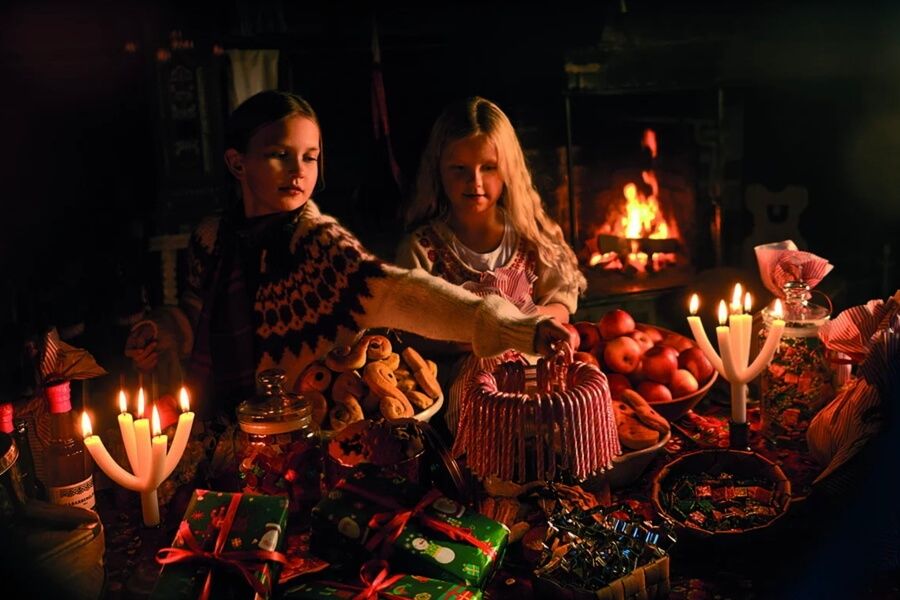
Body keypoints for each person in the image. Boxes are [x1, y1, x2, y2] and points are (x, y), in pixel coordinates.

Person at [124, 90, 570, 417]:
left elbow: (403, 294)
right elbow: (197, 313)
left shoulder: (320, 244)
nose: (299, 170)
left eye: (310, 157)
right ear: (238, 163)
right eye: (281, 154)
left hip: (300, 426)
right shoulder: (212, 237)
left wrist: (513, 328)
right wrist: (164, 330)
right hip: (225, 414)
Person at [396, 96, 586, 434]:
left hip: (534, 370)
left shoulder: (531, 237)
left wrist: (531, 326)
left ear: (508, 169)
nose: (476, 183)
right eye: (460, 170)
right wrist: (485, 337)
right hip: (469, 387)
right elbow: (413, 333)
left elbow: (561, 303)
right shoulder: (422, 249)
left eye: (489, 167)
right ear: (438, 168)